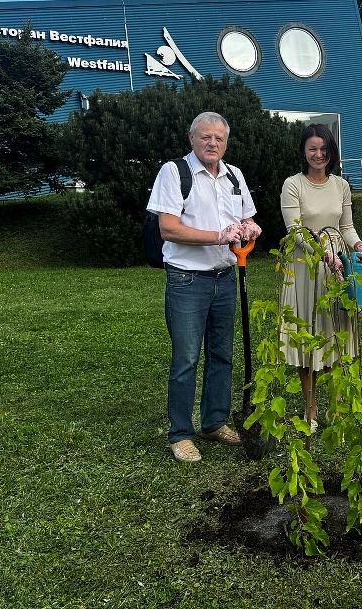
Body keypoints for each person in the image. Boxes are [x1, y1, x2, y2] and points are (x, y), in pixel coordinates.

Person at [146, 111, 262, 463]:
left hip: (224, 278)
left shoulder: (234, 175)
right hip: (187, 280)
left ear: (226, 143)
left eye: (219, 138)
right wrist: (218, 236)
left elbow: (245, 217)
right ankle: (180, 433)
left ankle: (214, 422)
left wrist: (250, 227)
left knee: (221, 355)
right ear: (192, 138)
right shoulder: (174, 172)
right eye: (206, 137)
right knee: (186, 358)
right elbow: (167, 228)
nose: (213, 143)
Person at [280, 124, 362, 433]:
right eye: (312, 148)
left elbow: (346, 227)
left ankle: (335, 405)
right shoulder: (292, 184)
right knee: (307, 339)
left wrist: (359, 247)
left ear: (331, 152)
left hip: (337, 272)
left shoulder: (341, 185)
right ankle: (311, 407)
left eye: (324, 148)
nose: (318, 154)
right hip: (306, 269)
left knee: (335, 336)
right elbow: (295, 231)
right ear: (303, 152)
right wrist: (323, 254)